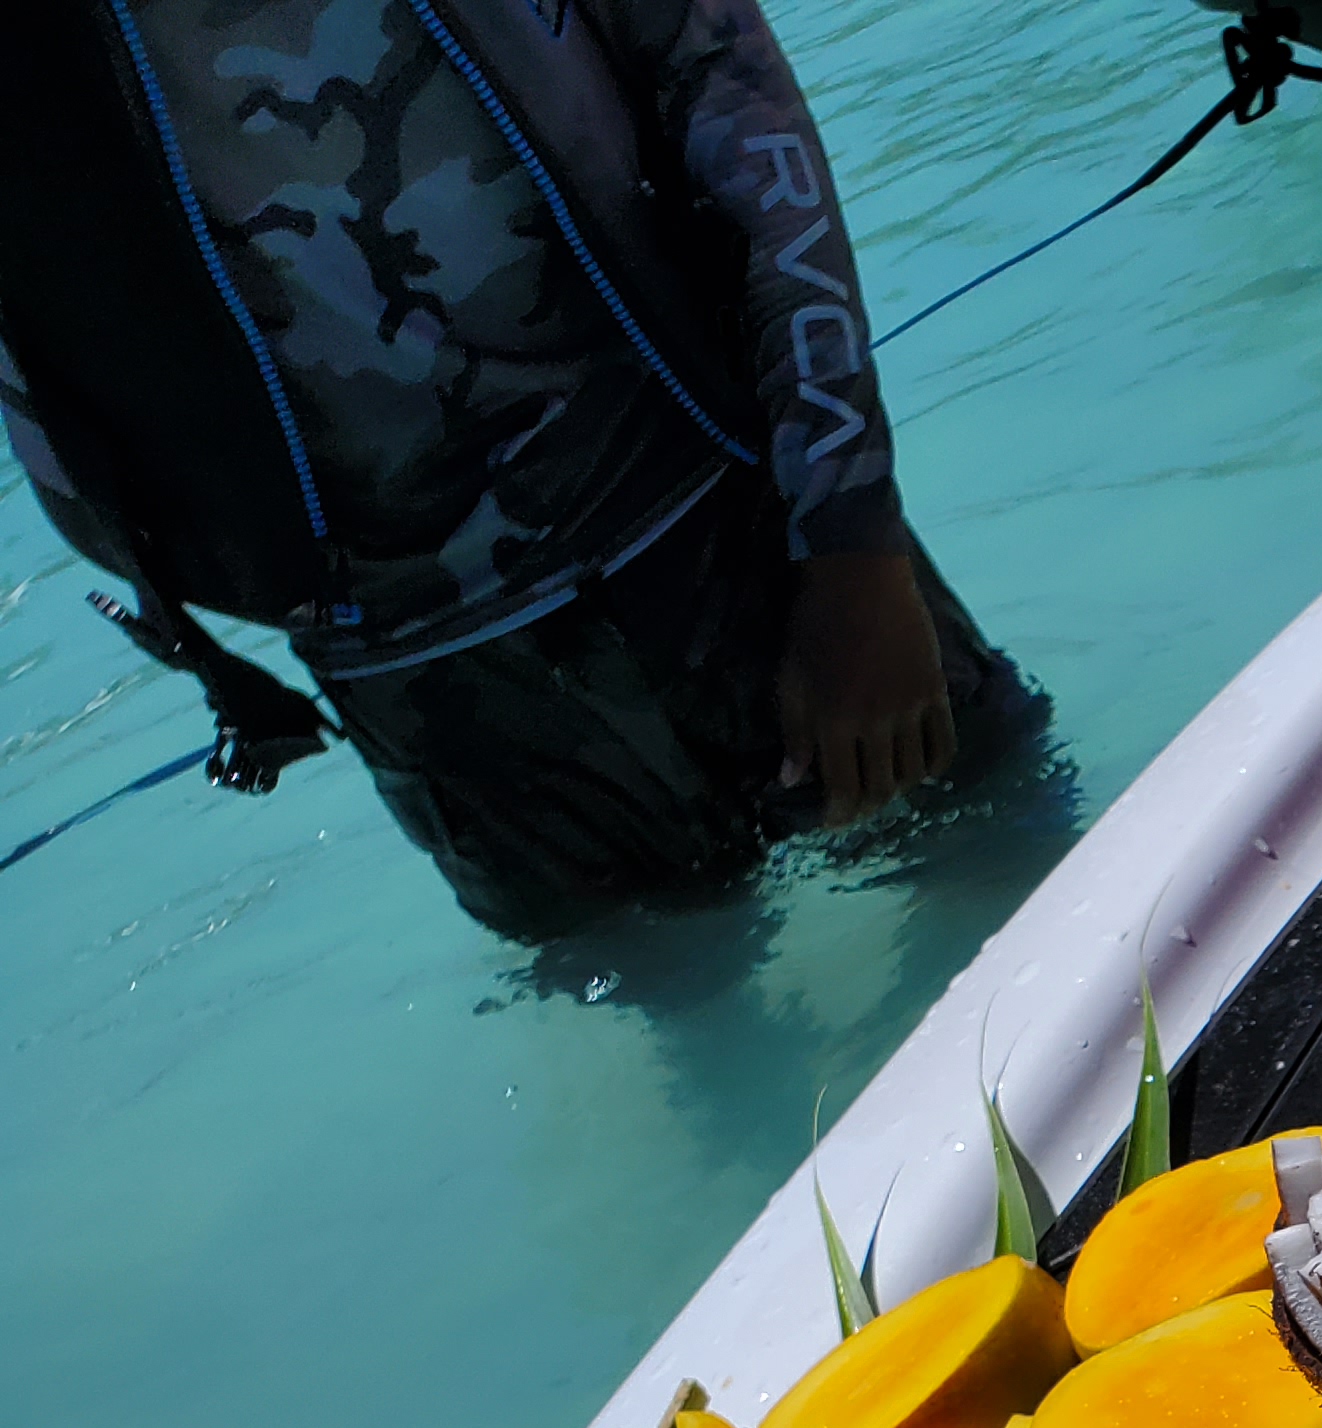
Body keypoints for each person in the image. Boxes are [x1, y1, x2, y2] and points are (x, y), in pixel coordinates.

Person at [0, 0, 1027, 939]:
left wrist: (850, 542)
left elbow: (731, 90)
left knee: (1041, 923)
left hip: (747, 534)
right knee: (697, 1085)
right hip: (437, 694)